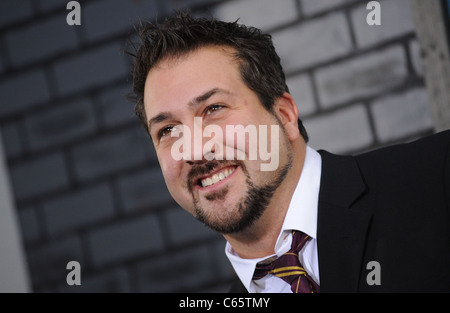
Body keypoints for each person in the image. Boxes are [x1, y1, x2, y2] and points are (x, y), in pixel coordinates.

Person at [129, 11, 450, 292]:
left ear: (284, 115)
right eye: (168, 130)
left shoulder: (438, 177)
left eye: (214, 108)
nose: (195, 149)